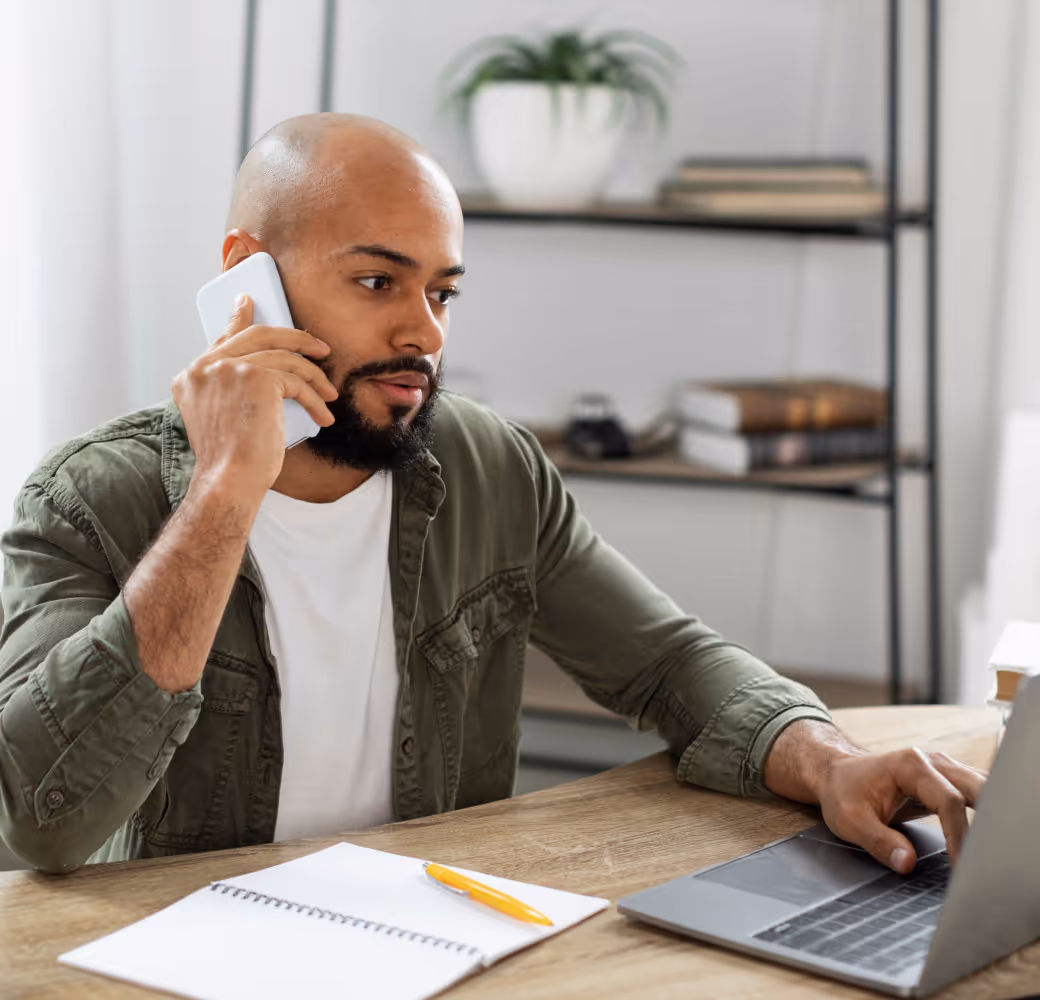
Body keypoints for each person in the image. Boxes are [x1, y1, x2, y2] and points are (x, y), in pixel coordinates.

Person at [0, 114, 984, 874]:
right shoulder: (90, 502)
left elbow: (669, 667)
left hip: (436, 943)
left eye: (442, 291)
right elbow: (40, 820)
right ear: (245, 277)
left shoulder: (486, 467)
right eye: (380, 283)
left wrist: (825, 757)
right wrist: (223, 490)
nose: (425, 333)